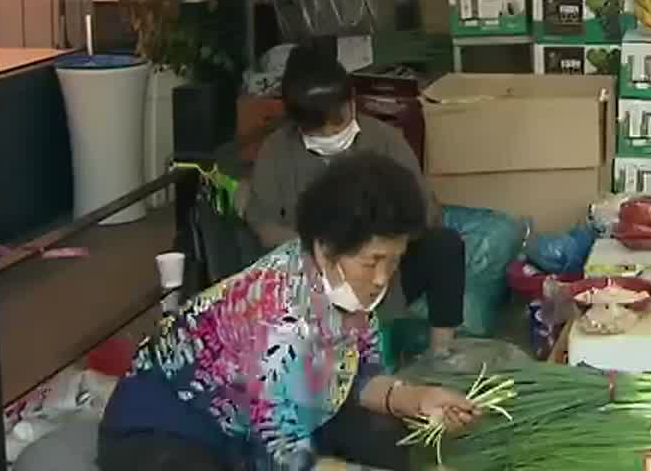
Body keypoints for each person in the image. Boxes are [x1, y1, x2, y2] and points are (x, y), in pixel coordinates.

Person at [100, 153, 480, 470]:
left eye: (393, 261)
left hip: (279, 415)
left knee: (392, 439)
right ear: (325, 247)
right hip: (168, 431)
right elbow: (278, 451)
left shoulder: (346, 289)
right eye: (372, 261)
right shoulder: (276, 319)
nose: (382, 278)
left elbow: (359, 376)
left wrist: (415, 398)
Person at [243, 47, 466, 357]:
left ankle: (442, 353)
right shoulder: (276, 152)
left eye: (342, 116)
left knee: (446, 245)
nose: (335, 131)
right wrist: (327, 252)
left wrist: (378, 247)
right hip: (314, 277)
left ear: (351, 101)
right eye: (322, 126)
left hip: (389, 274)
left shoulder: (384, 139)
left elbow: (425, 209)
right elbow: (262, 222)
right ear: (300, 122)